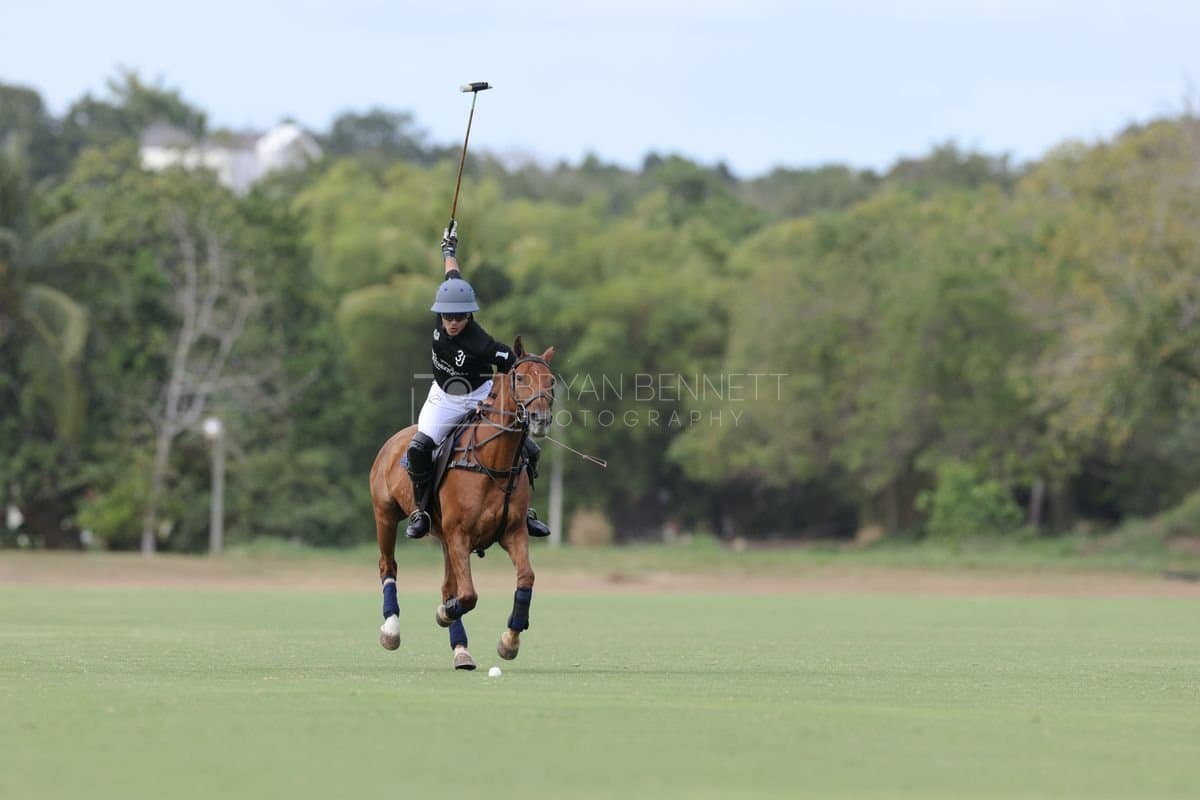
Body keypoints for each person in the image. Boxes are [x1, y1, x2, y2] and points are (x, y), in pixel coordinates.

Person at [404, 221, 552, 540]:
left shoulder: (484, 345)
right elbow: (452, 274)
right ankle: (422, 511)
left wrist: (513, 398)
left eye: (459, 317)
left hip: (479, 396)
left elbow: (518, 371)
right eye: (447, 317)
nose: (452, 322)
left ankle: (525, 512)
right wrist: (449, 249)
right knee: (418, 449)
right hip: (443, 397)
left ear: (469, 315)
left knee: (532, 451)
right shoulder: (445, 305)